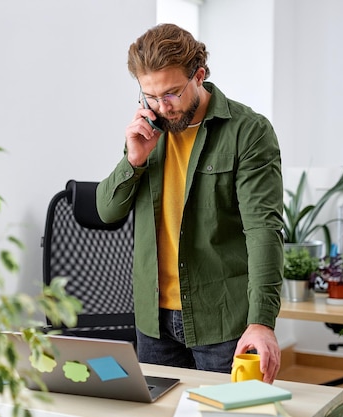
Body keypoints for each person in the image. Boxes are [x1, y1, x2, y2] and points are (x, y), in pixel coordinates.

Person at [95, 23, 284, 384]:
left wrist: (261, 322)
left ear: (199, 76)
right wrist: (132, 161)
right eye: (149, 96)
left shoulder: (249, 132)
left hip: (223, 320)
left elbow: (264, 231)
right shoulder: (148, 131)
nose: (161, 107)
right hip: (154, 322)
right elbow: (108, 211)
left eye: (171, 94)